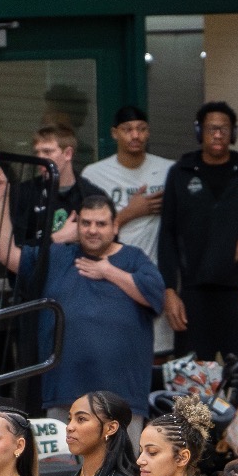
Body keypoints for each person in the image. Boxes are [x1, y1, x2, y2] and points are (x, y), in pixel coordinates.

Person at [0, 182, 163, 421]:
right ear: (77, 225)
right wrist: (0, 201)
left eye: (101, 224)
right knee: (63, 460)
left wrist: (108, 271)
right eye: (86, 223)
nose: (92, 230)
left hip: (123, 397)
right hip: (64, 392)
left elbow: (155, 296)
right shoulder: (58, 255)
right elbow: (6, 254)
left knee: (120, 459)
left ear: (114, 227)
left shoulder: (133, 258)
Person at [159, 101, 238, 362]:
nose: (217, 135)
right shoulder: (180, 173)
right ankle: (194, 407)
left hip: (237, 291)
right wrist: (169, 290)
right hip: (193, 292)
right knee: (191, 379)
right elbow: (167, 234)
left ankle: (237, 406)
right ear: (199, 132)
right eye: (211, 129)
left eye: (224, 129)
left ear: (233, 134)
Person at [83, 105, 175, 355]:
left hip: (156, 275)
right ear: (115, 133)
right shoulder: (94, 174)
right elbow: (86, 232)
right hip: (110, 274)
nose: (135, 135)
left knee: (158, 355)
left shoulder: (169, 170)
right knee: (115, 352)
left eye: (141, 129)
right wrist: (131, 212)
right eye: (127, 130)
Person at [9, 124, 104, 246]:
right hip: (37, 264)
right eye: (37, 153)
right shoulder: (24, 192)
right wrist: (57, 238)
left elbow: (108, 244)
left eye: (47, 152)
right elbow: (15, 248)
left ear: (68, 154)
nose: (40, 158)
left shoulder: (91, 195)